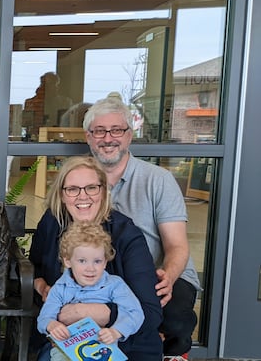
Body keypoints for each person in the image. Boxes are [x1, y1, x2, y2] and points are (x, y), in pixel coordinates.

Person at [83, 96, 201, 360]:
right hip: (106, 275)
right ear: (88, 137)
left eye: (116, 130)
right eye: (99, 131)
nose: (108, 138)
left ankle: (171, 353)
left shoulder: (159, 180)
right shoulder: (81, 181)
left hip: (159, 271)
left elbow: (177, 245)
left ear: (129, 135)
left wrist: (168, 277)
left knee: (173, 318)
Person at [29, 156, 163, 360]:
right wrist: (42, 288)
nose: (82, 196)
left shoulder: (126, 234)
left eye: (91, 188)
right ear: (62, 195)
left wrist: (86, 312)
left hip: (124, 343)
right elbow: (34, 266)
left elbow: (150, 313)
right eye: (72, 189)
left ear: (103, 191)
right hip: (65, 341)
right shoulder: (52, 222)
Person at [37, 222, 144, 361]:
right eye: (82, 261)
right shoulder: (60, 288)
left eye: (97, 261)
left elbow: (135, 312)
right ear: (68, 261)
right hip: (66, 350)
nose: (90, 268)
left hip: (103, 349)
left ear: (105, 262)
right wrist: (52, 325)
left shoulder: (114, 285)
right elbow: (44, 318)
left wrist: (116, 331)